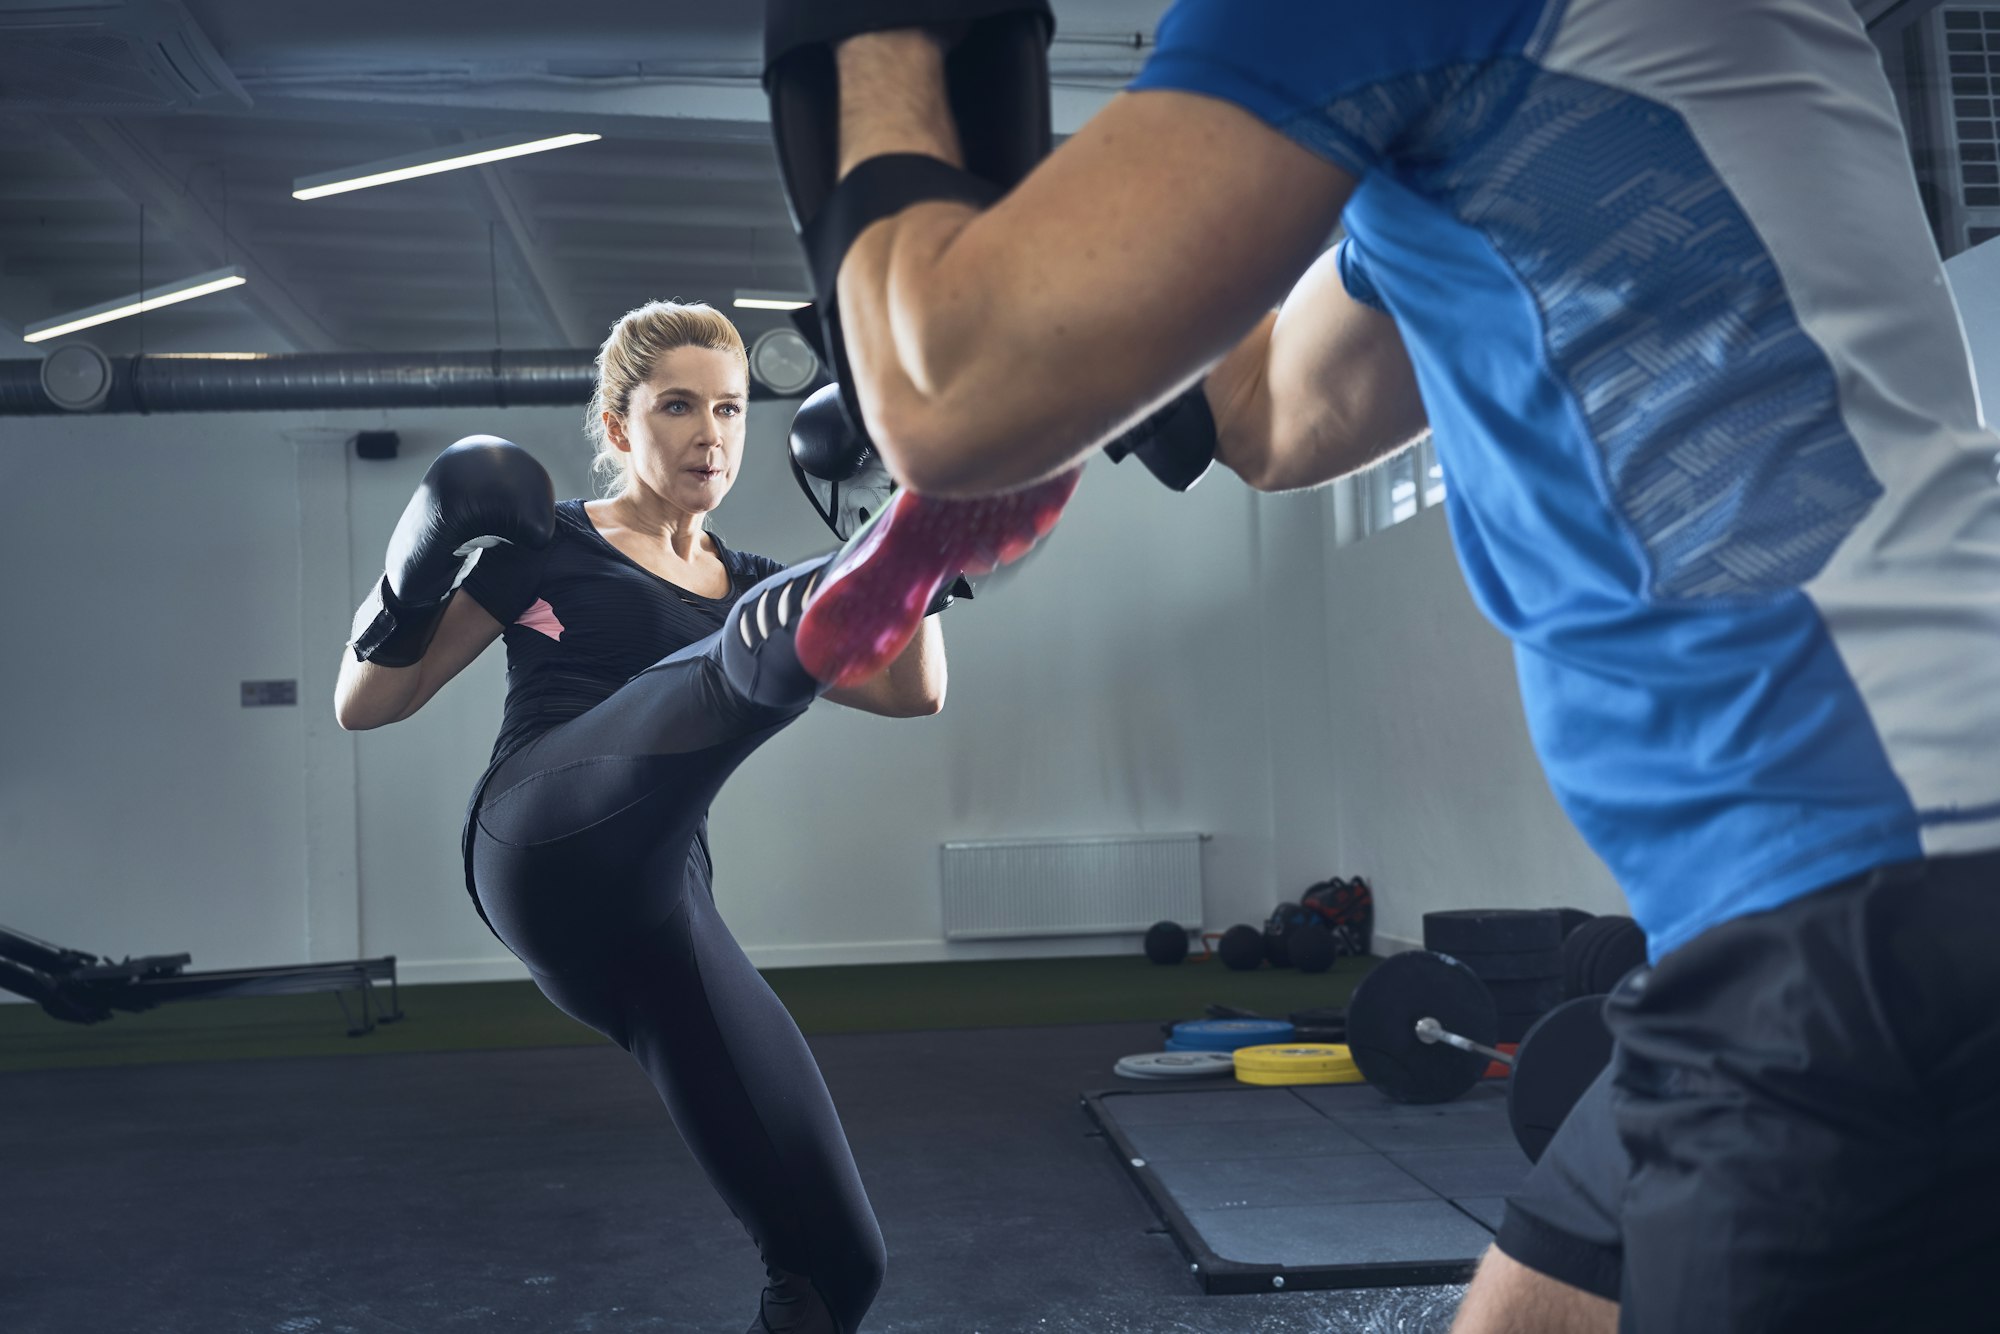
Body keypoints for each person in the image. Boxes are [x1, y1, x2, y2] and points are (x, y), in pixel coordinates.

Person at [763, 2, 2000, 1331]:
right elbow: (1277, 409)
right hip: (1839, 884)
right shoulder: (1540, 74)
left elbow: (944, 395)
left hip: (1866, 902)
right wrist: (1072, 340)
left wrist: (867, 38)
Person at [333, 300, 1042, 1334]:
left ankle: (896, 541)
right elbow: (369, 703)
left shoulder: (743, 583)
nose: (710, 432)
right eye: (677, 405)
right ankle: (889, 548)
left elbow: (908, 693)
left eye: (729, 408)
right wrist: (413, 565)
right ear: (620, 427)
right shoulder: (548, 544)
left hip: (657, 908)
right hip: (538, 833)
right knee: (740, 659)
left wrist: (890, 525)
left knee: (837, 1263)